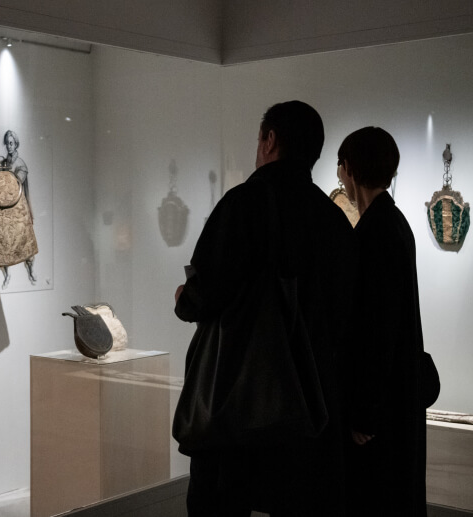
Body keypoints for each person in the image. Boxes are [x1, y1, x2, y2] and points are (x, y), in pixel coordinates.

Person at [174, 100, 357, 516]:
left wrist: (185, 298)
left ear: (270, 140)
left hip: (239, 406)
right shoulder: (333, 219)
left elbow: (206, 294)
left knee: (219, 504)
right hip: (308, 407)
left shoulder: (243, 203)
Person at [338, 127, 428, 516]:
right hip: (394, 398)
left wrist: (365, 412)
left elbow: (377, 328)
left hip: (382, 407)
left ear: (349, 168)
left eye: (340, 165)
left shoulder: (375, 231)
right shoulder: (392, 222)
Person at [0, 130, 36, 288]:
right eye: (7, 143)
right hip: (6, 209)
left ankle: (30, 272)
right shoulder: (3, 163)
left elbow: (16, 183)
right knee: (3, 242)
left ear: (16, 144)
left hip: (19, 210)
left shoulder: (21, 164)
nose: (9, 146)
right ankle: (6, 275)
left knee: (25, 242)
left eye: (11, 143)